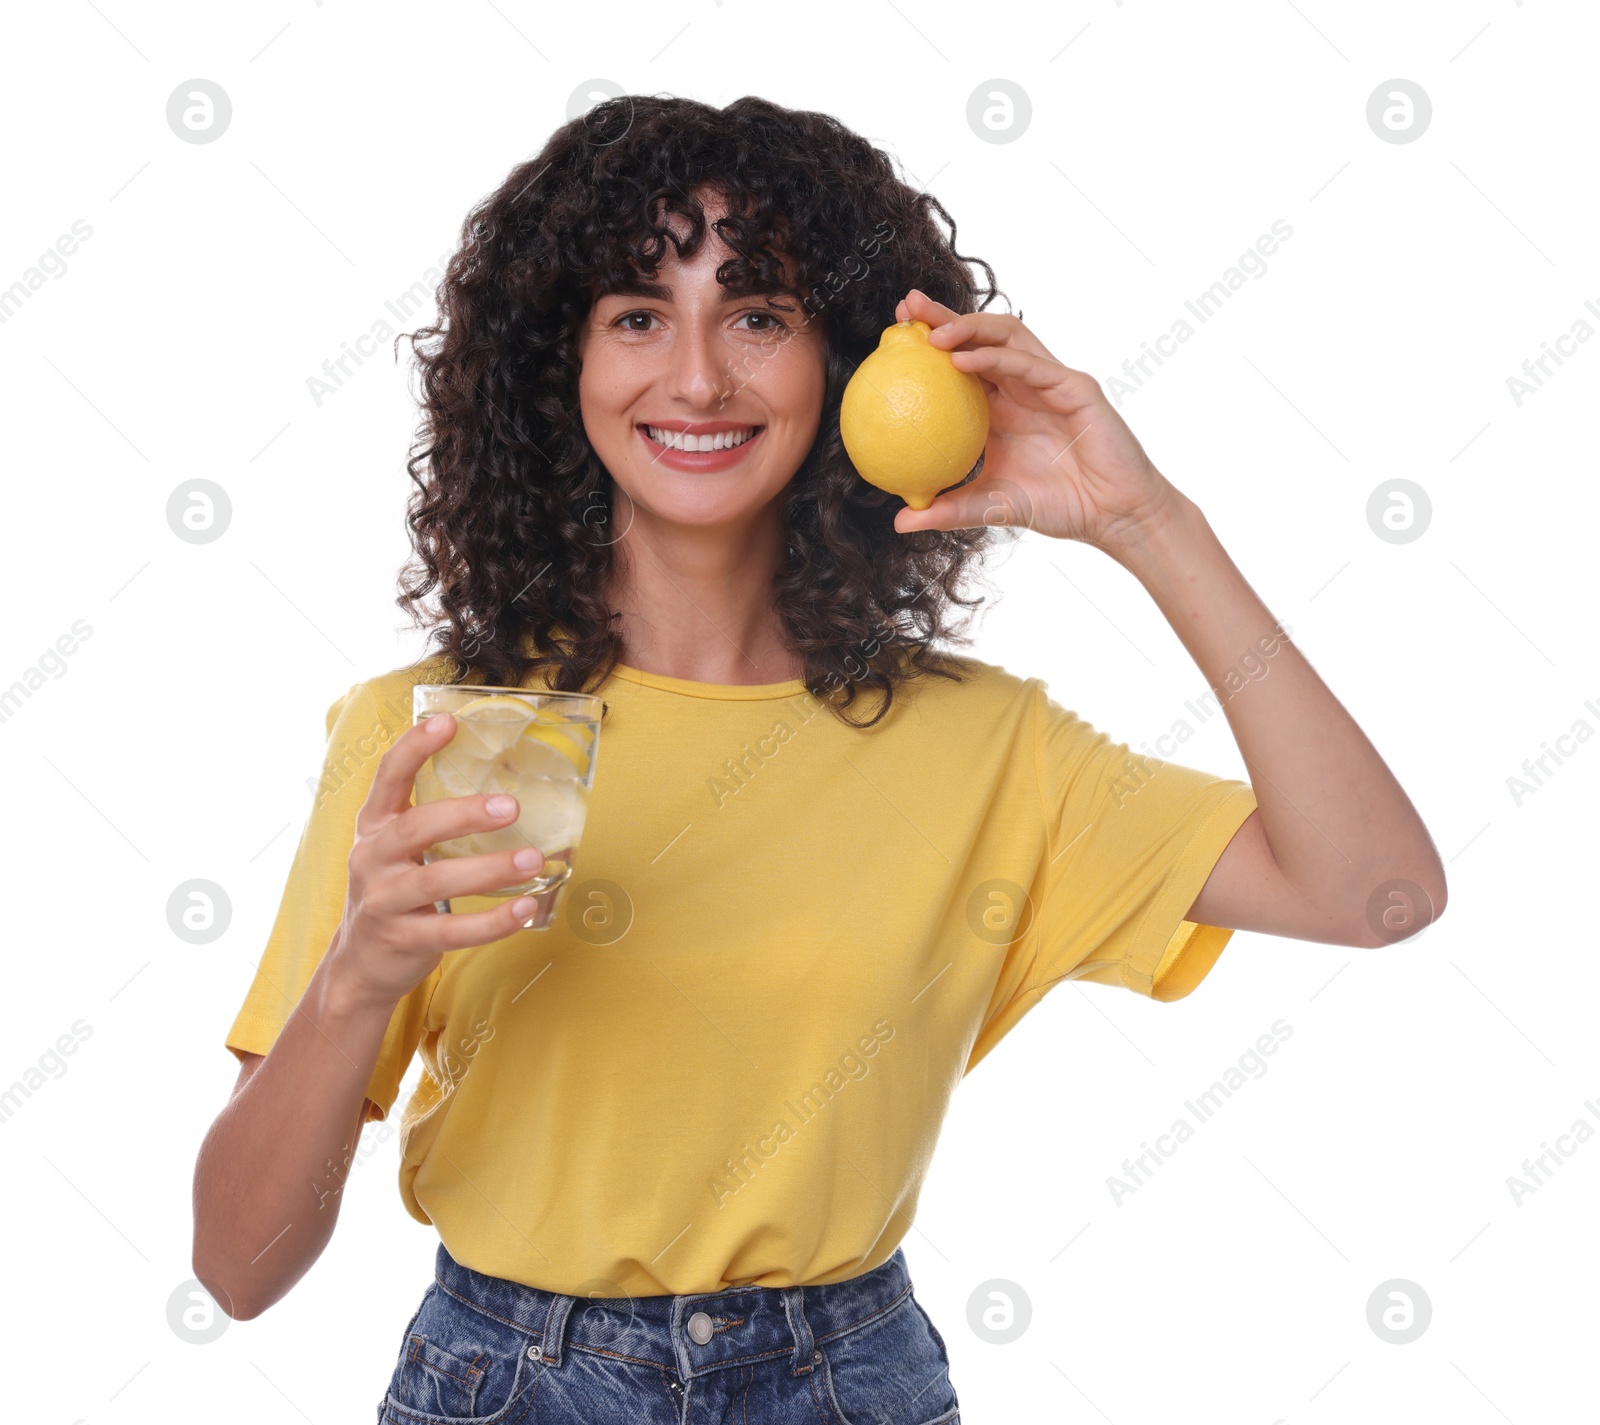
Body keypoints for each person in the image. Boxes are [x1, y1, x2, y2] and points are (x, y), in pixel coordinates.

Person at [192, 95, 1447, 1423]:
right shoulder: (434, 736)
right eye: (635, 314)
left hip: (848, 1383)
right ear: (554, 367)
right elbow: (237, 1267)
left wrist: (1147, 521)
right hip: (510, 1381)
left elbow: (1379, 891)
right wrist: (354, 982)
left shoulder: (985, 746)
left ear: (843, 361)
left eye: (756, 313)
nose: (695, 377)